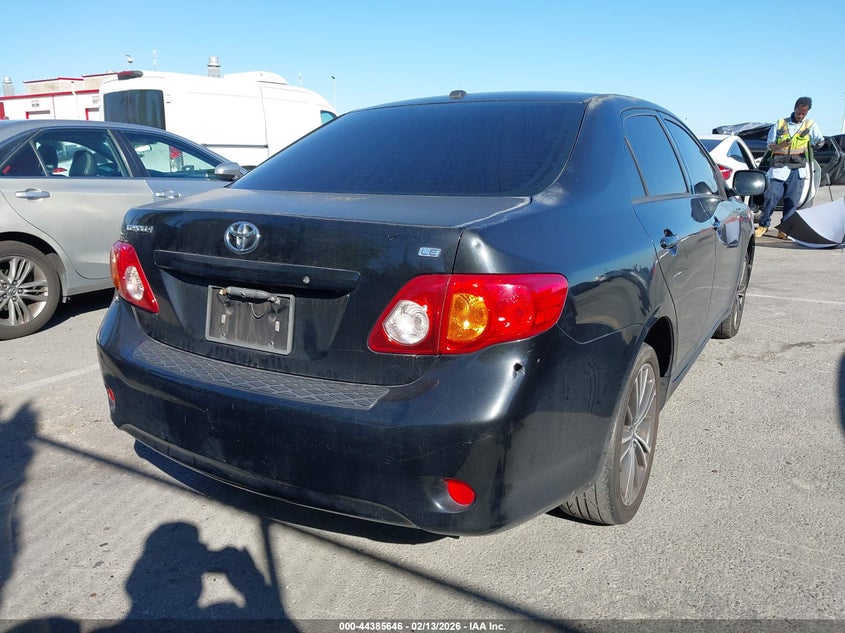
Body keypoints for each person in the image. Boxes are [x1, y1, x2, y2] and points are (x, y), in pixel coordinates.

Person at [754, 96, 825, 238]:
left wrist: (818, 144)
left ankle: (785, 229)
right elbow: (770, 145)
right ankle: (763, 225)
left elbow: (820, 141)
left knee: (792, 200)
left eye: (803, 114)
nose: (800, 116)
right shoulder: (780, 124)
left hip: (797, 168)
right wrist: (781, 145)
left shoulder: (810, 125)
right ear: (794, 109)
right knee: (771, 196)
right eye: (799, 112)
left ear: (807, 112)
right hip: (779, 166)